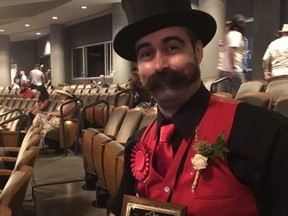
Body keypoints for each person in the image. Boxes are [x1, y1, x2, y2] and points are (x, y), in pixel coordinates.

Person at [109, 0, 288, 216]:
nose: (159, 65)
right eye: (147, 54)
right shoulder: (137, 143)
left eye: (171, 47)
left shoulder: (264, 132)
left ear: (198, 51)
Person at [217, 14, 247, 97]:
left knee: (222, 95)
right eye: (241, 22)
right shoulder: (236, 34)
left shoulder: (227, 35)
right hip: (233, 70)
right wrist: (232, 67)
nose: (244, 24)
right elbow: (231, 50)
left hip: (222, 69)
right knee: (241, 94)